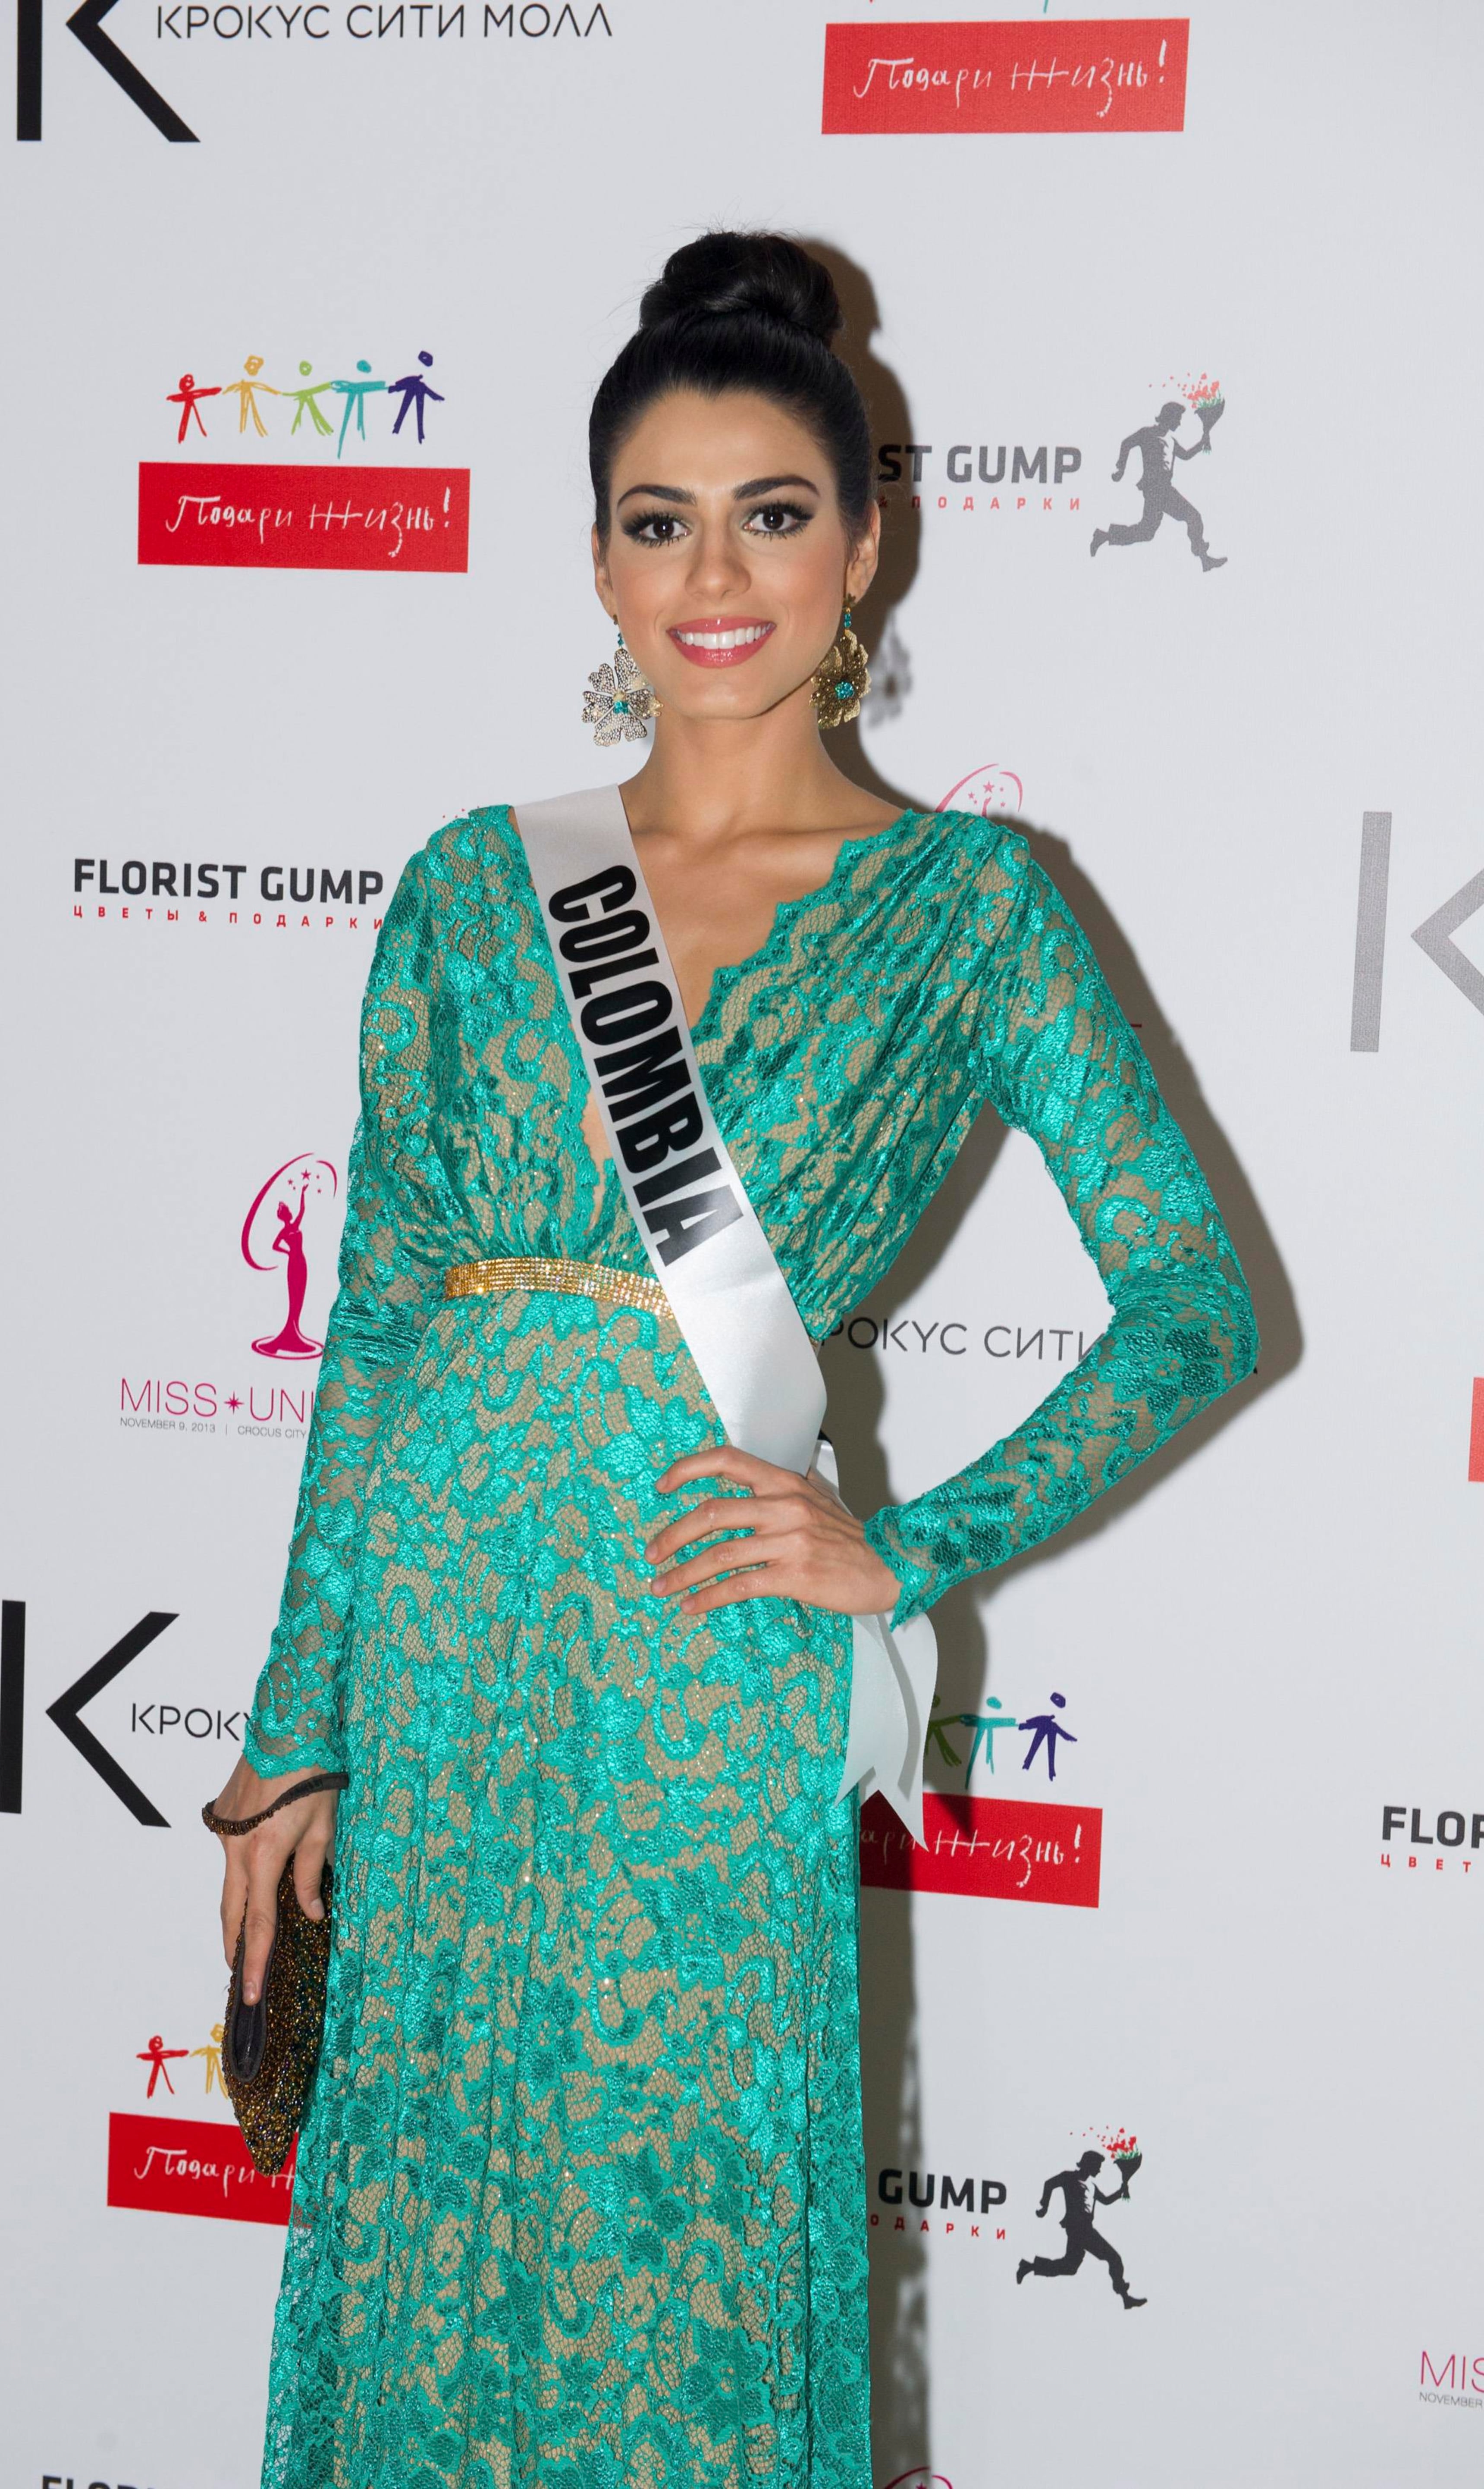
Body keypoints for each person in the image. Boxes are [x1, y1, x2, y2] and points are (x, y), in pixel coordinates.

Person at [208, 231, 1256, 2488]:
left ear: (864, 541)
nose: (716, 573)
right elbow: (380, 1325)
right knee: (430, 2248)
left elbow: (1196, 1302)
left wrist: (907, 1545)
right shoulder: (472, 888)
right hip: (450, 1664)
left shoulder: (971, 903)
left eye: (773, 511)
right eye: (659, 518)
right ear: (593, 554)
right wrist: (294, 1744)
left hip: (706, 1664)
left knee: (679, 2255)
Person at [1090, 399, 1226, 571]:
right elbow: (1126, 444)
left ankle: (1104, 536)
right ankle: (1204, 558)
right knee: (1191, 518)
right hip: (1156, 490)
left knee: (1148, 532)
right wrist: (1121, 469)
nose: (1179, 423)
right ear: (1168, 418)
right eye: (1177, 419)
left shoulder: (1172, 440)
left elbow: (1185, 455)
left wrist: (1202, 444)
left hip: (1164, 489)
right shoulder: (1147, 434)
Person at [1017, 2148, 1146, 2308]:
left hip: (1083, 2229)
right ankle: (1125, 2298)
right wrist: (1044, 2206)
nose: (1099, 2169)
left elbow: (1105, 2201)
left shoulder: (1092, 2186)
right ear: (1089, 2164)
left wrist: (1121, 2192)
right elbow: (1049, 2184)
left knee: (1070, 2267)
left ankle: (1029, 2266)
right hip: (1080, 2229)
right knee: (1114, 2259)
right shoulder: (1069, 2177)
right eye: (1098, 2166)